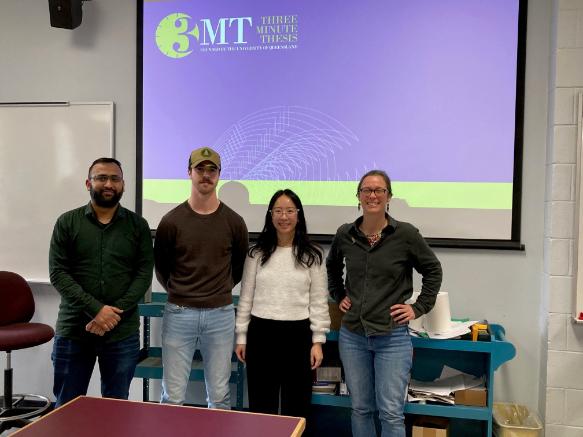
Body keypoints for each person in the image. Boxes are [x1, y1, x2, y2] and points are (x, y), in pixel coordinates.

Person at [326, 169, 442, 437]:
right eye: (366, 190)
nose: (373, 195)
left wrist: (418, 307)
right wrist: (338, 294)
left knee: (390, 412)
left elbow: (433, 270)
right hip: (353, 335)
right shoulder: (345, 234)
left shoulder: (406, 235)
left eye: (379, 190)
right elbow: (332, 267)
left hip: (392, 338)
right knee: (360, 408)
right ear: (358, 196)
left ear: (389, 197)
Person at [49, 157, 154, 408]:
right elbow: (58, 274)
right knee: (67, 406)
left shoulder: (138, 226)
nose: (108, 184)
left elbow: (143, 275)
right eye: (101, 178)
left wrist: (112, 314)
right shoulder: (67, 222)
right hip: (75, 329)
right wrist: (97, 310)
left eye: (115, 179)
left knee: (116, 407)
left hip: (122, 333)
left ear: (123, 185)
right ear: (88, 183)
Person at [154, 146, 248, 409]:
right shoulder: (171, 221)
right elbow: (161, 268)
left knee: (219, 397)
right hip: (179, 314)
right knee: (172, 396)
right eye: (200, 169)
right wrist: (182, 292)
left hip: (220, 315)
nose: (206, 175)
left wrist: (218, 292)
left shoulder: (234, 222)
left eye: (212, 170)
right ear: (189, 173)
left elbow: (238, 267)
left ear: (219, 175)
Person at [235, 189, 330, 428]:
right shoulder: (256, 254)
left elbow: (318, 301)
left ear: (298, 215)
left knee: (296, 408)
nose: (284, 216)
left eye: (289, 211)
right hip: (261, 334)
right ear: (270, 215)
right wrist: (242, 337)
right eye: (278, 211)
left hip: (298, 336)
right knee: (261, 406)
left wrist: (318, 341)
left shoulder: (313, 255)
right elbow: (246, 297)